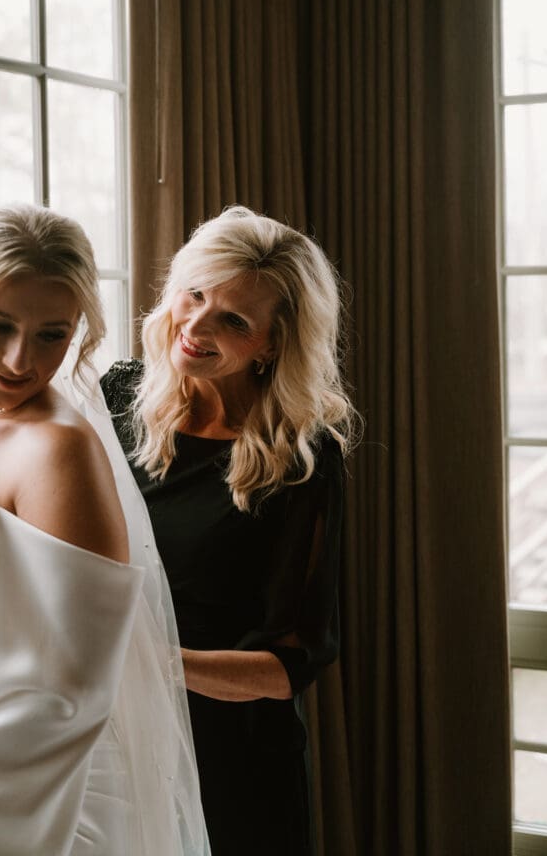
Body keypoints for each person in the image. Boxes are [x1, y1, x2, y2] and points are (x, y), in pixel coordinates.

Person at [0, 204, 209, 856]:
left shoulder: (56, 450)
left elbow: (62, 691)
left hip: (17, 803)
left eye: (53, 335)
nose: (21, 361)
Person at [101, 205, 357, 856]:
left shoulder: (301, 461)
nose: (194, 324)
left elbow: (292, 662)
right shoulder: (115, 397)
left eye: (232, 320)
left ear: (272, 343)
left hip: (234, 763)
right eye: (193, 295)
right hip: (114, 739)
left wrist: (149, 666)